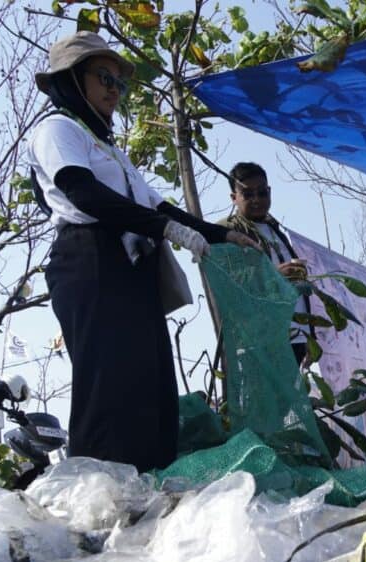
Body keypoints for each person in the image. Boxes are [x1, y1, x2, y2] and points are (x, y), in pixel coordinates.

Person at [27, 32, 257, 472]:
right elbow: (83, 193)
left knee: (150, 382)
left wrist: (218, 234)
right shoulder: (57, 129)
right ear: (72, 80)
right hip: (89, 261)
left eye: (119, 82)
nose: (114, 89)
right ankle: (98, 488)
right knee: (108, 384)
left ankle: (147, 484)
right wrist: (163, 228)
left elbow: (154, 203)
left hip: (129, 264)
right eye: (104, 78)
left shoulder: (108, 147)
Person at [217, 162, 314, 365]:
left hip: (294, 335)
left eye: (262, 193)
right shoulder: (226, 231)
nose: (257, 200)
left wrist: (308, 336)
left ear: (269, 191)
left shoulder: (275, 228)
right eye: (248, 194)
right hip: (258, 340)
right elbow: (225, 280)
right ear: (234, 198)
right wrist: (273, 274)